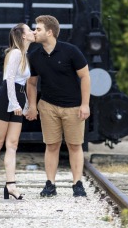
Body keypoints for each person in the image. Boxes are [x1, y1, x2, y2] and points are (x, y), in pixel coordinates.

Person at [26, 15, 91, 197]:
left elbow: (85, 77)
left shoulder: (70, 51)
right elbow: (31, 84)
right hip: (48, 106)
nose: (34, 32)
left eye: (38, 29)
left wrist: (85, 104)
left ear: (50, 32)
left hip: (73, 107)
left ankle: (77, 184)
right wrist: (32, 106)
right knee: (52, 145)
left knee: (74, 145)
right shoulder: (34, 56)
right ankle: (50, 184)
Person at [0, 23, 35, 200]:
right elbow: (10, 80)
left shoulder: (25, 55)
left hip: (17, 98)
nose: (33, 32)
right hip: (5, 98)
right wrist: (14, 104)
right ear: (22, 36)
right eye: (29, 30)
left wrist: (26, 104)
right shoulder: (14, 53)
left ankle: (11, 186)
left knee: (12, 144)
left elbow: (23, 84)